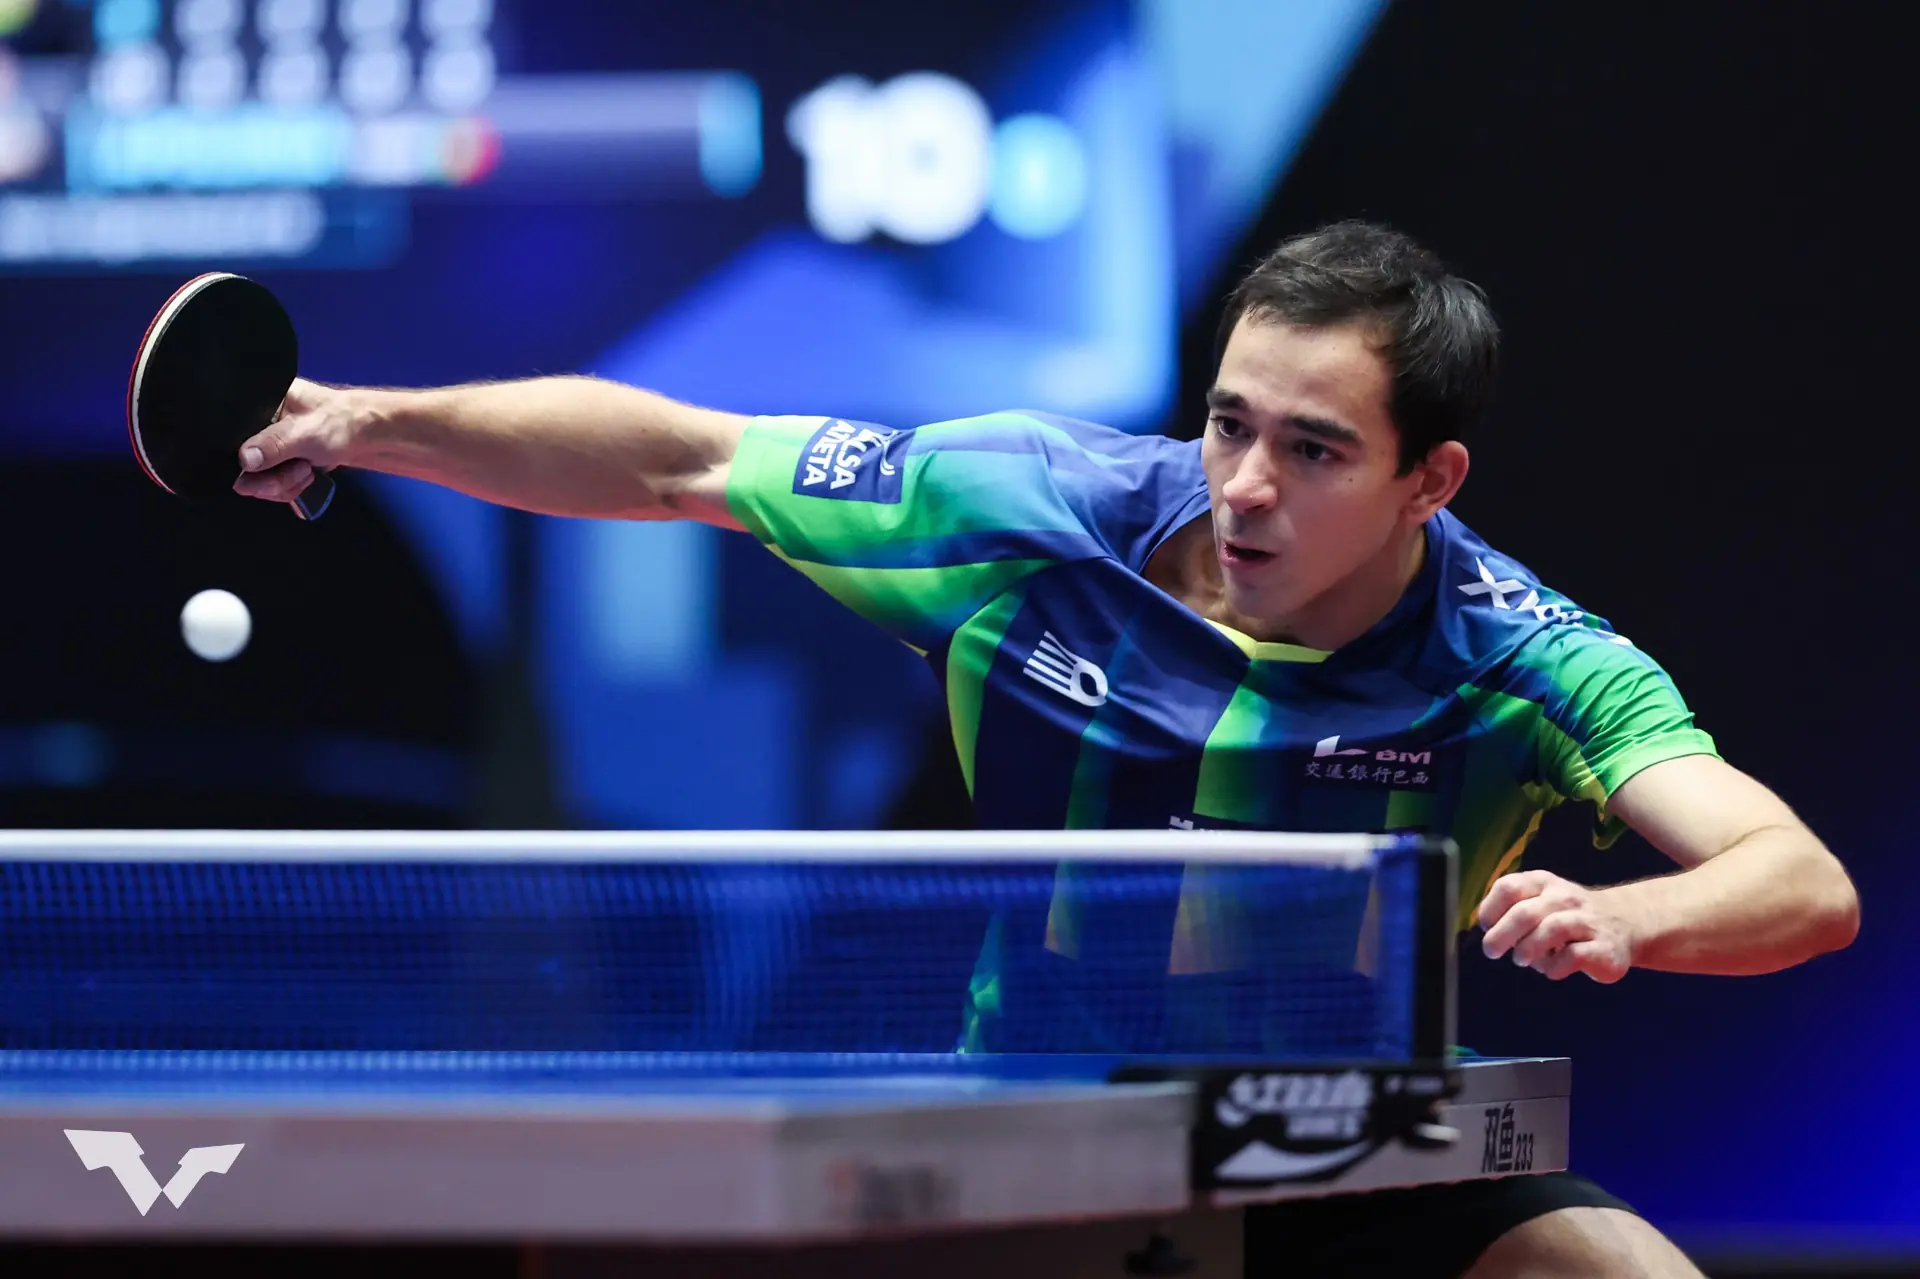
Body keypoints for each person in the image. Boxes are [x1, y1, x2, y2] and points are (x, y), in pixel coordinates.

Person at [233, 221, 1859, 1278]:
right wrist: (365, 420)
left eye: (1313, 451)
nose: (1244, 486)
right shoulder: (1031, 511)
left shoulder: (1522, 656)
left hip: (1343, 1143)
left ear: (1427, 481)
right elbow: (682, 458)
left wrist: (1628, 916)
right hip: (1037, 1139)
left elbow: (1798, 879)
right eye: (1228, 422)